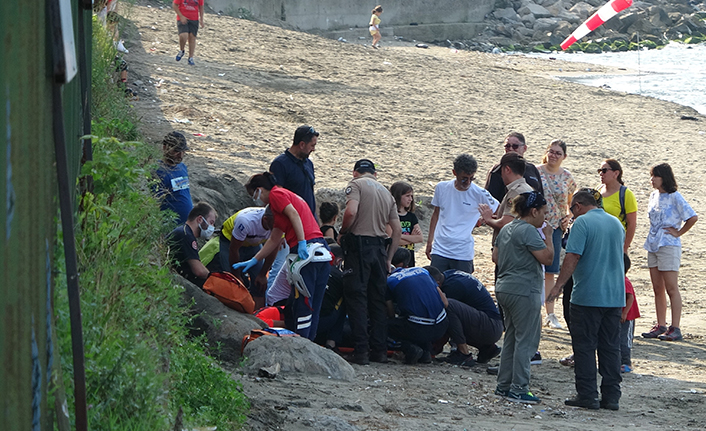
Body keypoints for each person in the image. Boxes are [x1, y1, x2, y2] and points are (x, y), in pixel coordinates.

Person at [547, 189, 625, 411]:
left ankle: (588, 394)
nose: (572, 214)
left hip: (588, 294)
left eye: (572, 209)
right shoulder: (615, 224)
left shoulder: (581, 224)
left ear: (578, 206)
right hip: (614, 295)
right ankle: (612, 396)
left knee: (584, 346)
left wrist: (559, 285)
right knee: (610, 347)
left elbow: (573, 256)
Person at [234, 173, 331, 341]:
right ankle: (309, 341)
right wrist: (255, 259)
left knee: (303, 304)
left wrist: (301, 242)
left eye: (254, 195)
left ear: (259, 190)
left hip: (307, 252)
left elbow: (294, 215)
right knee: (313, 304)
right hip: (320, 250)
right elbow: (274, 239)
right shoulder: (280, 209)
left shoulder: (276, 194)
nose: (257, 200)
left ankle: (303, 343)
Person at [493, 192, 553, 404]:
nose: (545, 218)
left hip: (504, 287)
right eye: (544, 213)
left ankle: (504, 385)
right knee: (526, 340)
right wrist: (549, 237)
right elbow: (547, 257)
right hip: (523, 290)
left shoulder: (507, 227)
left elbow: (495, 257)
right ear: (534, 211)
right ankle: (519, 387)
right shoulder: (529, 230)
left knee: (511, 337)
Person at [340, 159, 401, 365]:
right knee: (377, 300)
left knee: (357, 297)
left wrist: (343, 231)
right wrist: (389, 257)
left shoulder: (355, 185)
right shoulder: (386, 193)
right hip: (379, 249)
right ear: (375, 174)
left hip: (359, 247)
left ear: (355, 173)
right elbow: (397, 230)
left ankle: (361, 351)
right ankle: (380, 350)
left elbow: (351, 212)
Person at [641, 163, 697, 342]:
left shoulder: (675, 196)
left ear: (663, 177)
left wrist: (679, 232)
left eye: (655, 176)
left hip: (669, 245)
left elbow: (692, 217)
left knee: (671, 287)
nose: (652, 179)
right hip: (653, 244)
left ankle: (675, 327)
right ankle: (661, 324)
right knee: (657, 287)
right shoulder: (653, 196)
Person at [426, 154, 499, 273]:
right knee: (436, 285)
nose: (468, 182)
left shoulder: (480, 193)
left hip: (462, 252)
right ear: (455, 173)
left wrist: (484, 220)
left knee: (462, 288)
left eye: (472, 178)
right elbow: (436, 215)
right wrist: (430, 241)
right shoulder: (442, 187)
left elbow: (500, 211)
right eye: (464, 178)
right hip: (440, 248)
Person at [537, 140, 576, 329]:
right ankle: (535, 309)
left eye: (557, 153)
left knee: (550, 271)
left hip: (555, 228)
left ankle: (550, 313)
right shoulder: (536, 171)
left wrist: (567, 218)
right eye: (551, 152)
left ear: (564, 156)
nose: (553, 155)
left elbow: (571, 205)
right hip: (537, 225)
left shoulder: (567, 177)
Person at [426, 267, 503, 365]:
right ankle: (487, 348)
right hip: (489, 323)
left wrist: (433, 348)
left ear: (437, 283)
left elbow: (443, 320)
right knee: (453, 313)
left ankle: (463, 353)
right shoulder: (448, 275)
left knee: (448, 306)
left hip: (490, 326)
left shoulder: (453, 287)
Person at [215, 207, 276, 310]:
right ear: (265, 219)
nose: (278, 228)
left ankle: (258, 315)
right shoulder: (246, 221)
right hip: (230, 240)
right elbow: (234, 250)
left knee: (259, 282)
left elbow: (273, 250)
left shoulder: (280, 225)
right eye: (274, 225)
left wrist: (262, 274)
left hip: (253, 242)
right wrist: (237, 275)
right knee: (233, 281)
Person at [386, 267, 449, 364]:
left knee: (384, 326)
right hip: (442, 324)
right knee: (421, 320)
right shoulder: (423, 271)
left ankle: (409, 348)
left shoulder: (390, 281)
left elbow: (390, 314)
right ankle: (426, 352)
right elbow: (445, 303)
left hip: (418, 328)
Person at [480, 152, 534, 243]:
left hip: (511, 246)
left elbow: (506, 224)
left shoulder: (515, 192)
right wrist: (497, 217)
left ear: (507, 169)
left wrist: (488, 219)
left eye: (501, 171)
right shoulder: (528, 188)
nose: (501, 176)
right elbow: (518, 218)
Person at [269, 125, 320, 218]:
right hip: (293, 220)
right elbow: (277, 197)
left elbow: (311, 194)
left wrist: (317, 223)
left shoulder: (308, 163)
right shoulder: (280, 164)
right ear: (302, 145)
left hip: (310, 219)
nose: (313, 149)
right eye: (312, 145)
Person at [167, 202, 217, 287]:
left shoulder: (184, 232)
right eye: (211, 222)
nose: (212, 227)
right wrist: (215, 280)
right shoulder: (186, 235)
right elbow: (199, 271)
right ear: (200, 219)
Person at [484, 132, 544, 203]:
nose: (510, 149)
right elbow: (489, 199)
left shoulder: (532, 168)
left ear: (524, 148)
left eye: (515, 146)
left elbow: (541, 194)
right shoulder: (497, 170)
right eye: (507, 146)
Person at [598, 159, 638, 254]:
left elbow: (632, 224)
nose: (601, 174)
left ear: (616, 173)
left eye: (604, 171)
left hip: (616, 242)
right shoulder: (597, 191)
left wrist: (624, 248)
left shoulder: (626, 194)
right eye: (599, 171)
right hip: (598, 240)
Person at [154, 131, 193, 225]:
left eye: (182, 151)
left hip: (186, 224)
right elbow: (155, 203)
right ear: (164, 147)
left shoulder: (183, 167)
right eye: (176, 151)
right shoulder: (158, 172)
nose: (180, 155)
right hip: (169, 225)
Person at [390, 181, 423, 267]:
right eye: (407, 196)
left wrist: (399, 235)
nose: (410, 199)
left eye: (411, 196)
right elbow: (392, 240)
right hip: (395, 259)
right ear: (398, 196)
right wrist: (411, 238)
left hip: (409, 258)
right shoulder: (391, 216)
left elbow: (419, 238)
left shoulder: (411, 216)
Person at [621, 254, 640, 373]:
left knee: (625, 340)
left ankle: (626, 362)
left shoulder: (624, 281)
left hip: (628, 316)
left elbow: (630, 298)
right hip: (620, 315)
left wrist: (624, 313)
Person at [172, 0, 204, 66]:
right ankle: (182, 50)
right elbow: (175, 5)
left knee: (192, 38)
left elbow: (201, 6)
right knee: (183, 35)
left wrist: (201, 19)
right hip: (182, 18)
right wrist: (181, 16)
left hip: (194, 19)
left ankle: (191, 57)